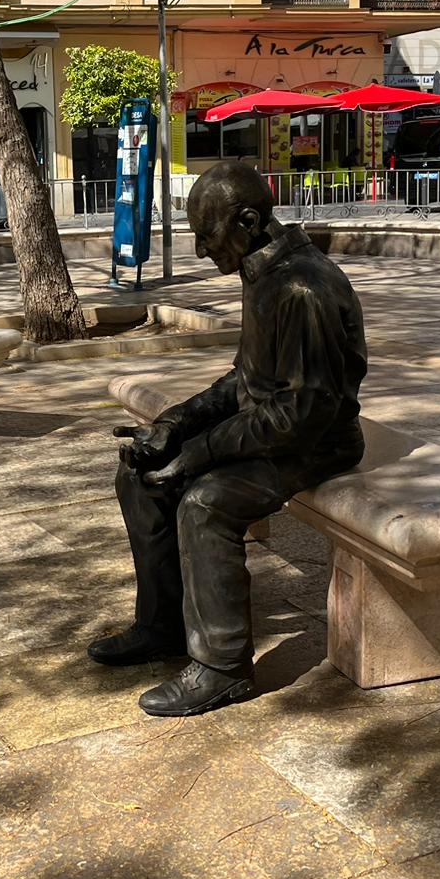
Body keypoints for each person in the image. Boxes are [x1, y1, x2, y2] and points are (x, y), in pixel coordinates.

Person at [95, 161, 369, 718]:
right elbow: (246, 380)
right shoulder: (263, 270)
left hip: (317, 443)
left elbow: (301, 413)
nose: (200, 251)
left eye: (207, 234)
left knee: (204, 502)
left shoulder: (299, 288)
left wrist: (197, 454)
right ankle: (162, 625)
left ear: (248, 220)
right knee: (140, 476)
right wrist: (174, 426)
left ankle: (222, 667)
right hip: (279, 428)